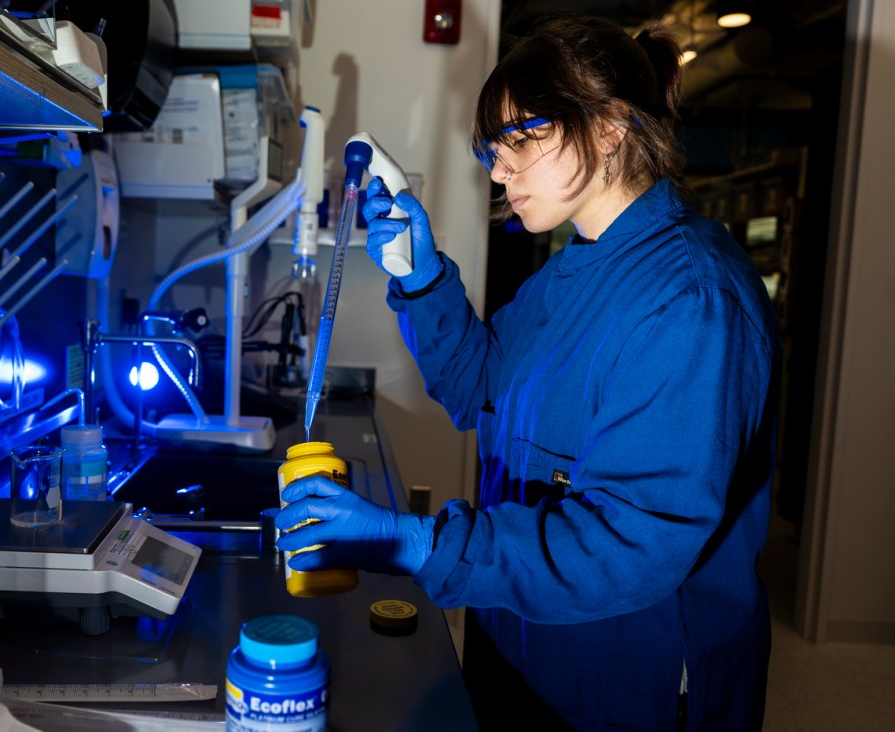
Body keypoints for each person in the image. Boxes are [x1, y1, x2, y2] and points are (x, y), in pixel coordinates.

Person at [276, 13, 780, 732]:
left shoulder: (690, 298)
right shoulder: (569, 270)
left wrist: (417, 542)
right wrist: (422, 279)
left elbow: (630, 545)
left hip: (628, 681)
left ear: (610, 127)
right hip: (521, 638)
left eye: (521, 138)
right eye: (492, 147)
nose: (497, 167)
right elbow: (481, 391)